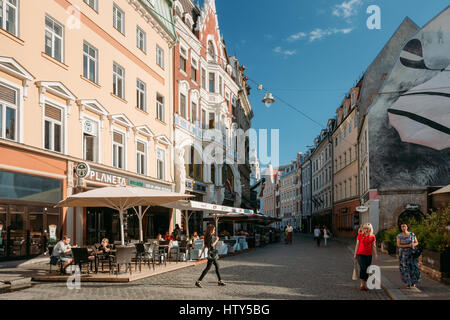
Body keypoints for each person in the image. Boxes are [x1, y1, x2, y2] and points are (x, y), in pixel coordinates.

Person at [353, 223, 377, 291]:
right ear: (363, 229)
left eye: (367, 228)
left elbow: (374, 246)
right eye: (365, 228)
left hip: (368, 255)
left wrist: (376, 254)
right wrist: (355, 254)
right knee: (363, 268)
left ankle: (365, 284)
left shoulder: (372, 236)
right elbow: (357, 245)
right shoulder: (360, 235)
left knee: (367, 270)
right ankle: (362, 284)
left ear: (370, 229)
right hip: (360, 254)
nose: (366, 230)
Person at [397, 223, 421, 288]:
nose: (403, 228)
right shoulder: (399, 236)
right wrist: (408, 245)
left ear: (407, 227)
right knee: (405, 268)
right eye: (402, 226)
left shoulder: (412, 234)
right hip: (403, 254)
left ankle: (413, 282)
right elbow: (398, 245)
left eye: (404, 226)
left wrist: (413, 245)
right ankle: (408, 283)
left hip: (412, 254)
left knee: (413, 267)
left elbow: (417, 242)